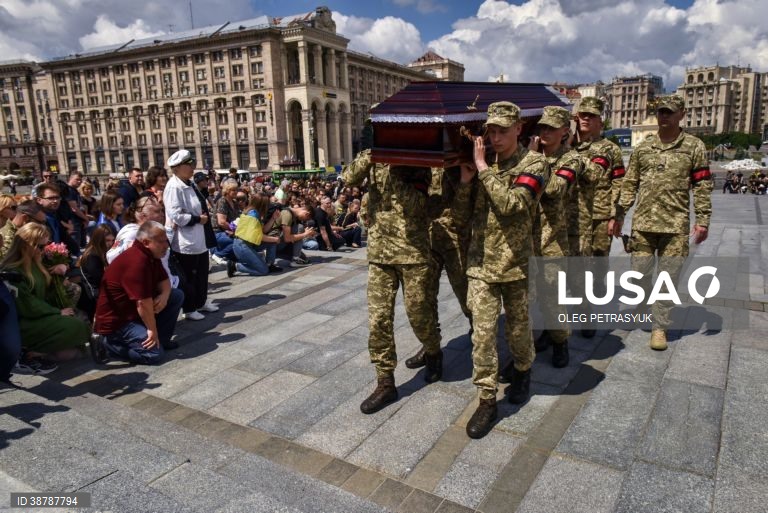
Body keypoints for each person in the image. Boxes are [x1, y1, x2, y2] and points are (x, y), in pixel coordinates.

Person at [454, 101, 550, 439]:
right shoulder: (486, 164)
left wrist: (482, 169)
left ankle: (523, 371)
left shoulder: (535, 164)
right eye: (490, 131)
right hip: (481, 264)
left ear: (519, 128)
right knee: (481, 335)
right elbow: (461, 216)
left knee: (518, 331)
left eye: (501, 131)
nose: (494, 137)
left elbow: (512, 206)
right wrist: (467, 181)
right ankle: (486, 399)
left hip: (515, 265)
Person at [342, 149, 443, 415]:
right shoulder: (372, 154)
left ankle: (433, 350)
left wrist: (401, 169)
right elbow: (349, 178)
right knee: (378, 319)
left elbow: (424, 207)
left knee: (418, 313)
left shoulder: (419, 159)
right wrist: (372, 156)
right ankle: (385, 381)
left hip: (412, 251)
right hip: (379, 253)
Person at [609, 94, 712, 350]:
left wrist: (703, 220)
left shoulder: (694, 146)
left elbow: (702, 185)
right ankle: (642, 306)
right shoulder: (644, 147)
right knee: (638, 274)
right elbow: (630, 183)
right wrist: (619, 215)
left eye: (669, 112)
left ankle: (659, 327)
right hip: (643, 225)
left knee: (668, 278)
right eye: (660, 112)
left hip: (675, 226)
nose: (663, 116)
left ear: (681, 114)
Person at [526, 106, 585, 368]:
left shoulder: (571, 160)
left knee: (552, 301)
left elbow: (555, 189)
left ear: (565, 131)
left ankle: (560, 342)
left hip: (552, 242)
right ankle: (522, 355)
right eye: (542, 127)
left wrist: (531, 161)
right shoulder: (530, 156)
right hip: (525, 241)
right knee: (523, 304)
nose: (545, 132)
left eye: (551, 127)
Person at [404, 165, 473, 371]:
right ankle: (431, 346)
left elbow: (466, 203)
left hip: (456, 239)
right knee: (425, 297)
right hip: (427, 239)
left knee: (466, 294)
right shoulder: (422, 163)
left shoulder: (456, 160)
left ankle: (479, 332)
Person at [0, 223, 90, 371]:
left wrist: (61, 270)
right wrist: (57, 312)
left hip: (41, 314)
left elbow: (47, 292)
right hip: (24, 321)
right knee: (76, 325)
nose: (43, 251)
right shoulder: (12, 270)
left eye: (46, 245)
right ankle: (28, 352)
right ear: (26, 245)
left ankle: (39, 352)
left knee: (79, 323)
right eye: (40, 247)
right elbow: (28, 304)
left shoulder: (38, 262)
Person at [92, 221, 184, 364]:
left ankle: (161, 341)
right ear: (146, 242)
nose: (166, 245)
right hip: (119, 322)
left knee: (176, 295)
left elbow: (164, 281)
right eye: (161, 242)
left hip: (133, 313)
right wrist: (151, 330)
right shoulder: (137, 261)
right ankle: (108, 346)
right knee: (154, 355)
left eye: (166, 240)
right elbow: (142, 302)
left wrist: (165, 296)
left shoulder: (150, 254)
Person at [164, 149, 218, 321]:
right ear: (178, 167)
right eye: (189, 164)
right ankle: (189, 307)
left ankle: (201, 301)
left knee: (202, 272)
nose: (192, 167)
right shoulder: (174, 186)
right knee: (189, 275)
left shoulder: (188, 182)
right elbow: (175, 215)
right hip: (186, 240)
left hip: (198, 238)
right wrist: (196, 219)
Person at [232, 193, 281, 276]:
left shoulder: (253, 212)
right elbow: (260, 236)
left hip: (246, 244)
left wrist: (273, 218)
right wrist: (275, 239)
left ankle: (270, 265)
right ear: (262, 205)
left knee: (271, 241)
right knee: (263, 271)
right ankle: (235, 266)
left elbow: (263, 230)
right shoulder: (253, 215)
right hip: (242, 246)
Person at [76, 224, 115, 321]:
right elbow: (100, 279)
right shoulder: (92, 256)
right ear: (99, 240)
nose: (110, 243)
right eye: (107, 241)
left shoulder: (102, 253)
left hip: (99, 292)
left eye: (112, 240)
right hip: (93, 296)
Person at [211, 179, 240, 267]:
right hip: (218, 232)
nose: (236, 192)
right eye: (233, 190)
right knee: (239, 241)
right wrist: (234, 231)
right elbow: (221, 222)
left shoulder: (234, 203)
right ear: (227, 191)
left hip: (229, 231)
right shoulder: (222, 201)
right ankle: (217, 254)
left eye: (236, 190)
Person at [64, 171, 90, 248]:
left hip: (79, 221)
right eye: (77, 179)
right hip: (74, 222)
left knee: (82, 246)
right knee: (75, 247)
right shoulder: (69, 190)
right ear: (70, 178)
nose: (79, 182)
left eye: (80, 180)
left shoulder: (74, 190)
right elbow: (74, 208)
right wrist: (86, 219)